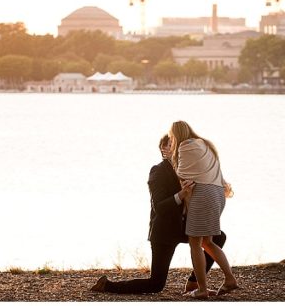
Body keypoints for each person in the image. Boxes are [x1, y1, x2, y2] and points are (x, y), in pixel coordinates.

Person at [90, 134, 227, 294]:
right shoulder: (158, 171)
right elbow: (159, 207)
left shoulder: (187, 169)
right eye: (172, 145)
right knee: (156, 284)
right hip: (164, 231)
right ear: (164, 150)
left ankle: (193, 283)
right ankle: (107, 285)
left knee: (218, 237)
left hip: (184, 227)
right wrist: (182, 194)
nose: (178, 149)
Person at [170, 121, 240, 299]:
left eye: (172, 137)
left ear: (176, 135)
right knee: (207, 242)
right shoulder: (205, 144)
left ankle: (202, 289)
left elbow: (181, 173)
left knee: (195, 243)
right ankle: (230, 279)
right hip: (217, 193)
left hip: (202, 195)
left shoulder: (185, 146)